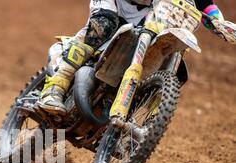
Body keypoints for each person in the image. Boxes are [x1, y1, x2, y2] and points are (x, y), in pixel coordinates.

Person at [38, 0, 225, 115]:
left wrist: (219, 22)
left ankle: (131, 126)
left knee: (169, 56)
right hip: (116, 3)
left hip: (153, 14)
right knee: (101, 27)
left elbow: (205, 4)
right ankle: (54, 88)